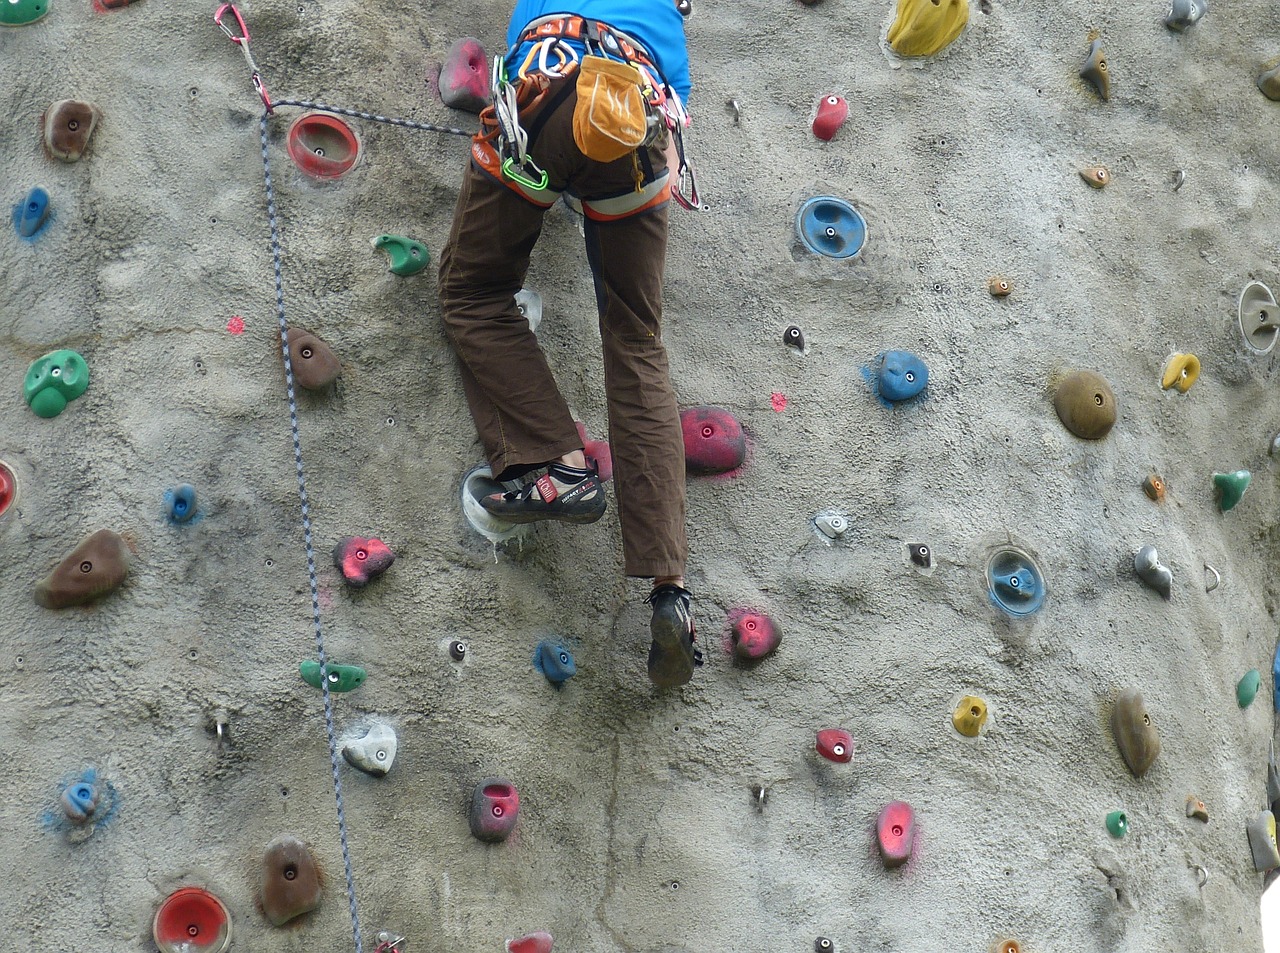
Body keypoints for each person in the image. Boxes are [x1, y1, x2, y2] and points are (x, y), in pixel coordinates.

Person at [437, 0, 701, 687]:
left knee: (473, 288)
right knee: (636, 340)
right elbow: (669, 142)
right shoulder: (669, 31)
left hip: (552, 83)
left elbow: (525, 53)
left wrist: (546, 175)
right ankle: (671, 590)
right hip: (639, 117)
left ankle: (557, 465)